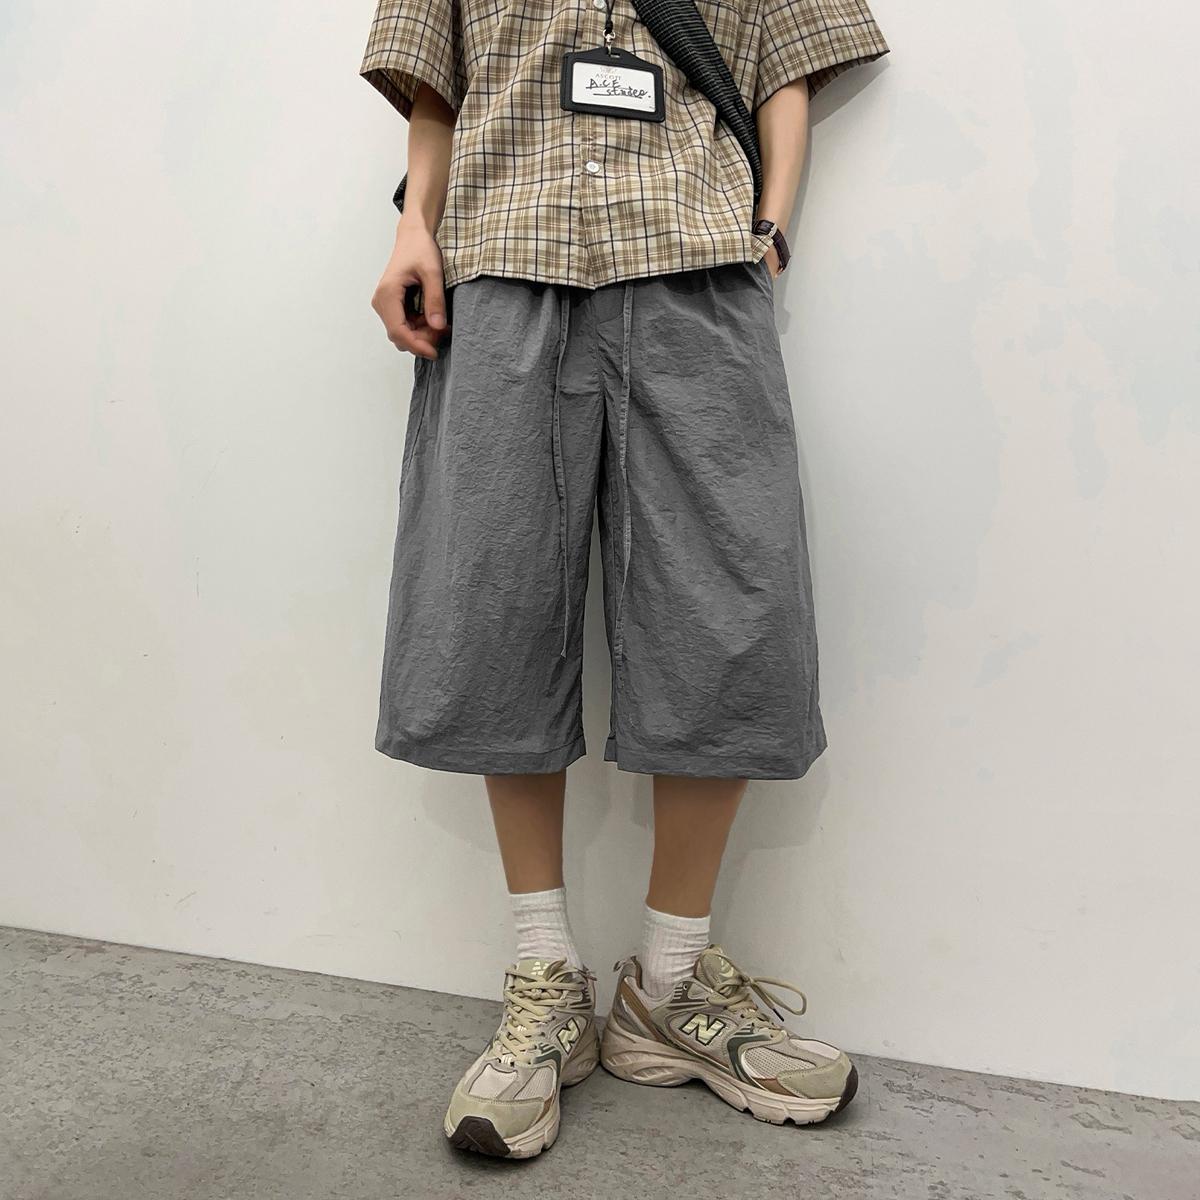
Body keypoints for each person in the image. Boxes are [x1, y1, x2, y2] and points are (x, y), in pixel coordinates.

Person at [360, 0, 888, 1159]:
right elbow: (436, 82)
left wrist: (772, 226)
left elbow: (785, 68)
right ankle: (543, 976)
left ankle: (672, 986)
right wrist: (414, 227)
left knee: (729, 612)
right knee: (496, 603)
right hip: (501, 264)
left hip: (697, 268)